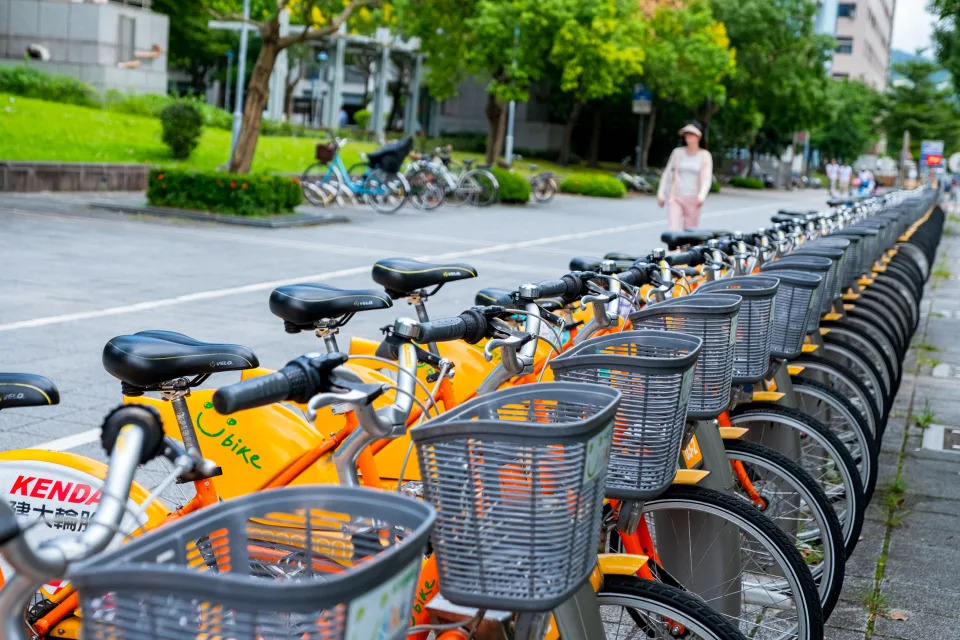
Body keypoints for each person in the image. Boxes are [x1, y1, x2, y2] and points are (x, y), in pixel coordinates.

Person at [657, 122, 714, 231]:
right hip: (676, 197)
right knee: (673, 230)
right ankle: (673, 249)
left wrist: (701, 196)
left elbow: (706, 179)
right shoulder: (677, 153)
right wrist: (661, 193)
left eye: (692, 134)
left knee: (690, 232)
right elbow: (667, 174)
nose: (689, 137)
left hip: (693, 197)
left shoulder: (704, 155)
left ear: (699, 137)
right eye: (687, 134)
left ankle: (686, 249)